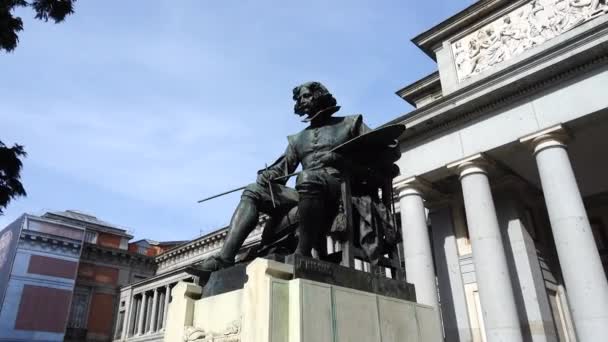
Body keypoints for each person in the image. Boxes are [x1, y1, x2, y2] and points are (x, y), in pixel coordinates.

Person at [191, 82, 371, 272]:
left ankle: (302, 252)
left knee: (307, 178)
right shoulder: (298, 139)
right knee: (253, 190)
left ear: (320, 95)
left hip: (338, 189)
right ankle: (225, 258)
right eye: (300, 99)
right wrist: (268, 176)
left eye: (306, 96)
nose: (302, 101)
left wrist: (340, 160)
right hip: (306, 189)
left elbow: (383, 153)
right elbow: (282, 169)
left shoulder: (351, 123)